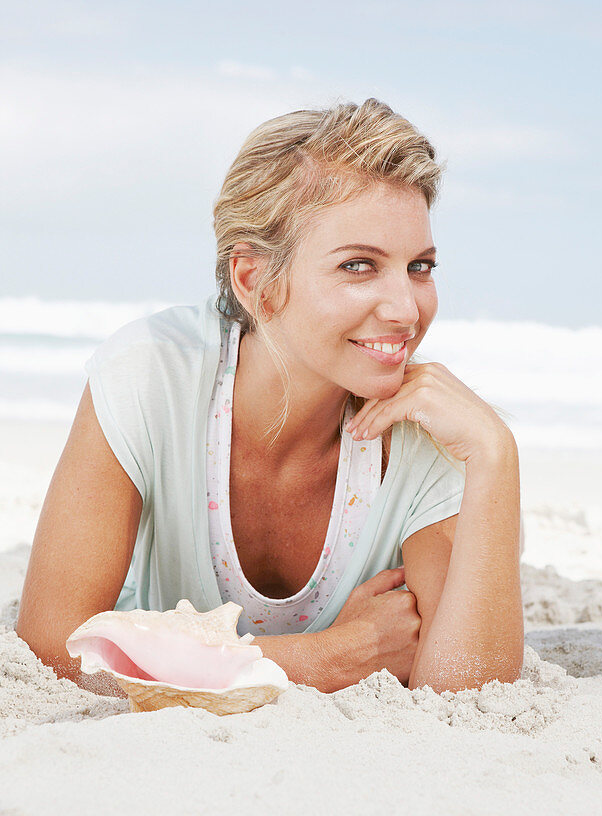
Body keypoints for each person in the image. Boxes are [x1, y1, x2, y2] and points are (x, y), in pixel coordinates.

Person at [16, 97, 524, 697]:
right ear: (255, 280)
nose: (406, 309)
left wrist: (496, 455)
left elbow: (468, 697)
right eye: (359, 265)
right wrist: (330, 656)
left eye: (419, 267)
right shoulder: (153, 376)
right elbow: (54, 651)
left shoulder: (433, 432)